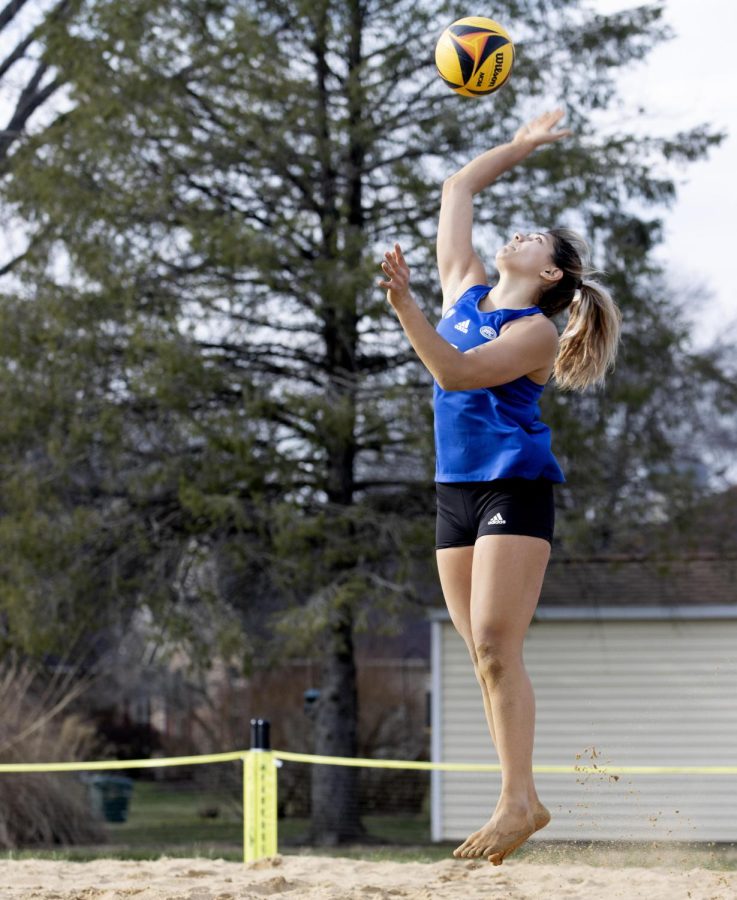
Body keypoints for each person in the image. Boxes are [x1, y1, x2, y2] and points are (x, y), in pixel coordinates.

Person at [377, 109, 621, 866]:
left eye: (536, 239)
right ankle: (517, 795)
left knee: (493, 640)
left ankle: (518, 799)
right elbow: (458, 187)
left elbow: (454, 372)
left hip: (513, 486)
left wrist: (405, 308)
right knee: (481, 656)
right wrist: (519, 145)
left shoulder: (537, 334)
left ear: (548, 274)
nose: (516, 235)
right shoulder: (465, 292)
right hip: (454, 488)